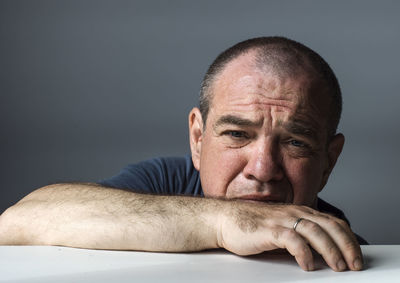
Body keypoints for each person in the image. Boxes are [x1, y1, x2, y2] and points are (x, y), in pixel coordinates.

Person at [0, 36, 366, 272]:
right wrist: (224, 222)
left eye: (295, 143)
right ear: (198, 139)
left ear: (328, 161)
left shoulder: (344, 256)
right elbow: (16, 221)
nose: (262, 169)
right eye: (237, 134)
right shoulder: (164, 181)